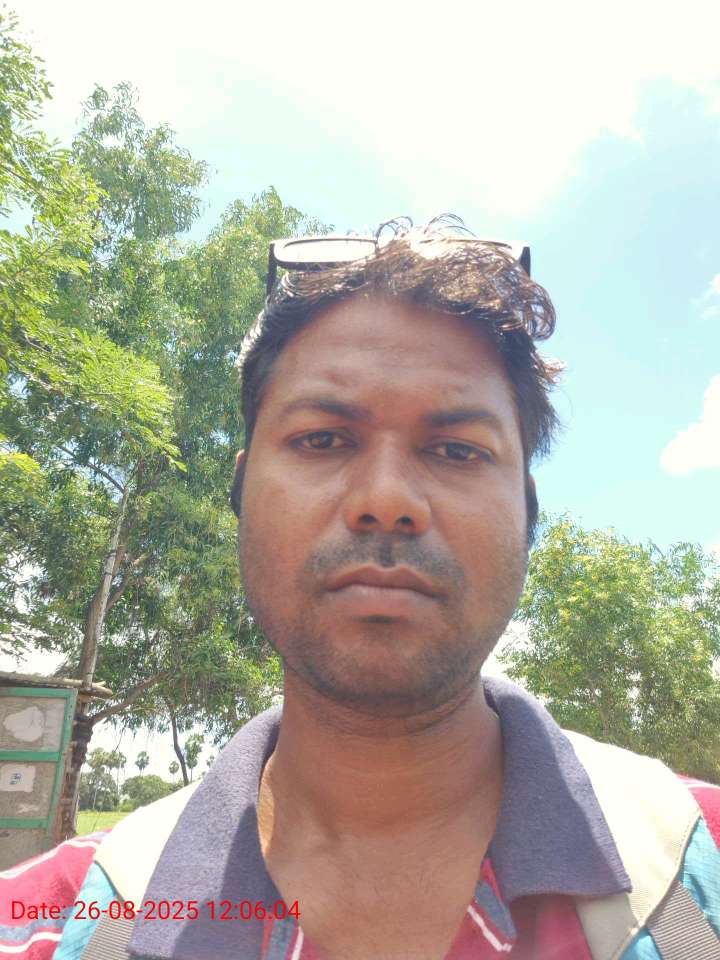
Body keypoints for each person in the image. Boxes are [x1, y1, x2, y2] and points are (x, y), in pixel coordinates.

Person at [3, 216, 719, 960]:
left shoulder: (697, 877)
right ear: (241, 490)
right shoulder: (56, 926)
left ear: (526, 513)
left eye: (456, 450)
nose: (386, 498)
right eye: (322, 439)